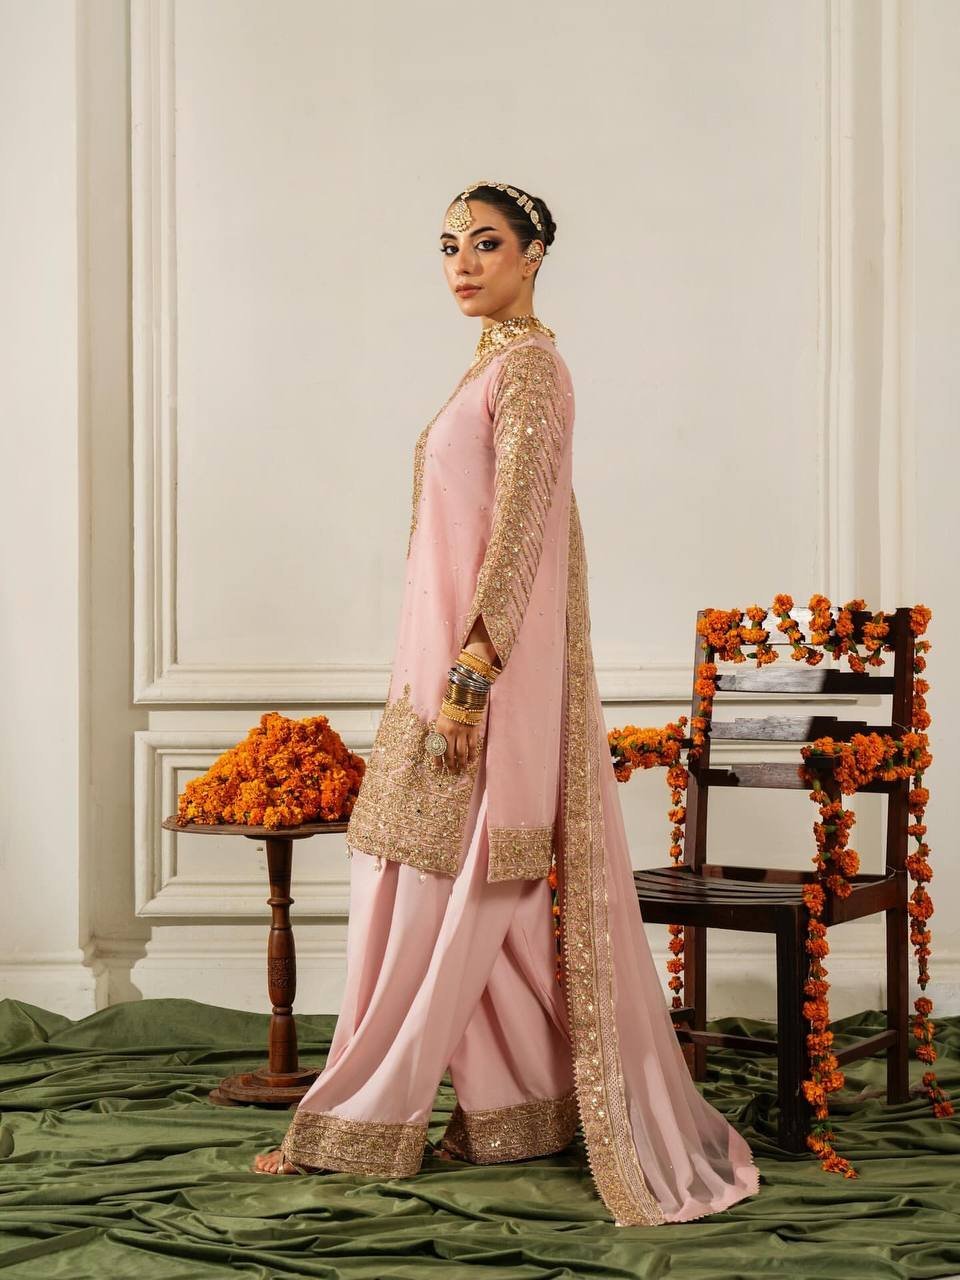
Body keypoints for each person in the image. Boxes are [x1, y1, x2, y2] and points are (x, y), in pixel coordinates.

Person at [251, 181, 761, 1226]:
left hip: (482, 678)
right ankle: (518, 1108)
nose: (463, 264)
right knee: (470, 895)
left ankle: (360, 1113)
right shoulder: (490, 367)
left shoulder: (531, 368)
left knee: (444, 894)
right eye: (448, 246)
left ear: (533, 255)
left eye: (486, 244)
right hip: (438, 670)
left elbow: (520, 530)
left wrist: (472, 679)